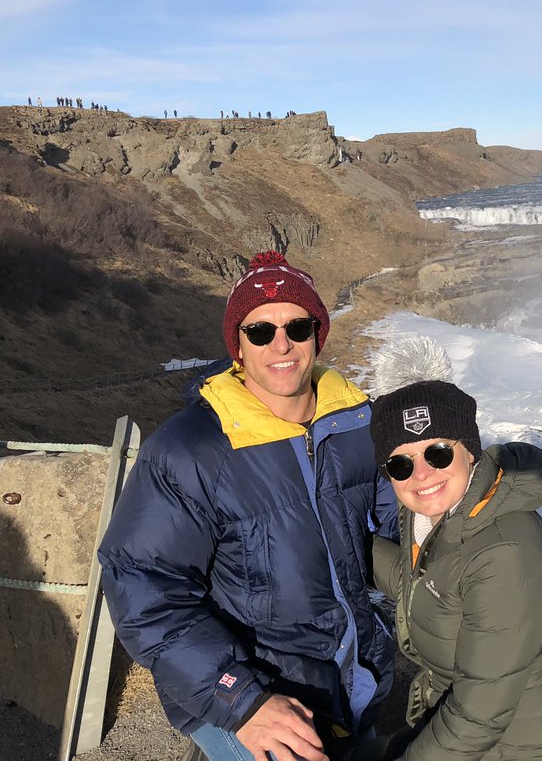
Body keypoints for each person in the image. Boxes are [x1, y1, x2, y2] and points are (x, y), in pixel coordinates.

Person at [98, 250, 398, 761]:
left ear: (317, 336)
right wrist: (241, 698)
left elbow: (399, 524)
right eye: (260, 331)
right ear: (237, 345)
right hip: (252, 694)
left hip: (351, 681)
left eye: (297, 327)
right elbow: (141, 583)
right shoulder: (191, 449)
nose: (281, 345)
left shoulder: (355, 423)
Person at [368, 345, 542, 760]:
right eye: (400, 465)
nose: (421, 474)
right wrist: (344, 548)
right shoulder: (441, 515)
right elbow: (430, 584)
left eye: (437, 453)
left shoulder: (506, 552)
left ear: (469, 450)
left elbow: (479, 714)